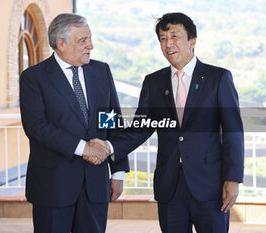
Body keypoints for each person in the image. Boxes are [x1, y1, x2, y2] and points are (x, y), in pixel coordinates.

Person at [90, 12, 244, 233]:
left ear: (192, 40)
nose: (168, 44)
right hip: (169, 188)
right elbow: (140, 129)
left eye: (174, 36)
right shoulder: (153, 82)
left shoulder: (218, 78)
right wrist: (110, 146)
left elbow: (233, 132)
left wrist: (233, 179)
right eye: (162, 38)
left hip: (210, 187)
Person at [19, 13, 129, 233]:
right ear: (61, 44)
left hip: (95, 185)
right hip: (53, 186)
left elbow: (112, 122)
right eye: (83, 40)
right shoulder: (34, 77)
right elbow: (37, 127)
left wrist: (118, 172)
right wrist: (83, 148)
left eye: (90, 38)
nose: (91, 45)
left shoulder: (101, 71)